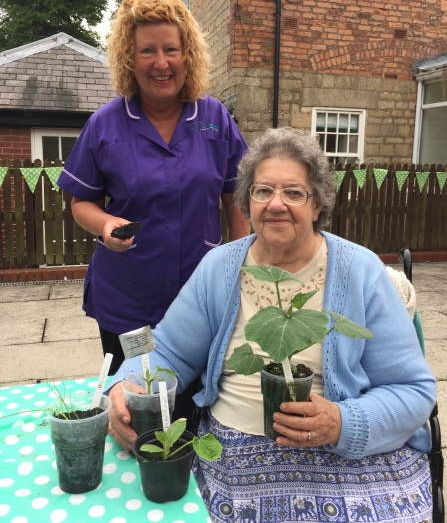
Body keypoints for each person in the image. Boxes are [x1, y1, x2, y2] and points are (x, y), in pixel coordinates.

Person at [107, 128, 436, 523]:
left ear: (318, 205)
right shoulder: (220, 267)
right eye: (262, 191)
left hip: (347, 452)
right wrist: (125, 385)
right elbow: (168, 350)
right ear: (247, 202)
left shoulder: (360, 270)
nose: (276, 204)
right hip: (234, 452)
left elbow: (414, 391)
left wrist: (343, 423)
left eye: (294, 193)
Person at [57, 0, 249, 411]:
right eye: (147, 51)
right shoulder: (105, 124)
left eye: (170, 49)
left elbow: (238, 195)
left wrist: (240, 261)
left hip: (201, 294)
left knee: (196, 404)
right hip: (128, 297)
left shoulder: (215, 118)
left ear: (188, 55)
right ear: (130, 57)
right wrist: (106, 225)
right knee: (134, 405)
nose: (161, 63)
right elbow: (80, 202)